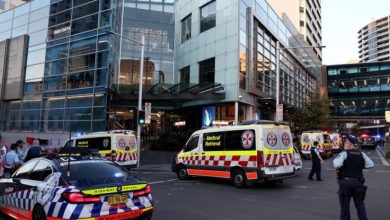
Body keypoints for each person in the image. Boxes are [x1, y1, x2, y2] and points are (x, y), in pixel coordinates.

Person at [333, 136, 374, 220]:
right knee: (360, 205)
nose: (344, 143)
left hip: (346, 182)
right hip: (358, 183)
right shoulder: (361, 154)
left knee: (345, 206)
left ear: (350, 144)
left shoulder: (344, 153)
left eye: (346, 142)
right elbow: (370, 164)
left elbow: (336, 164)